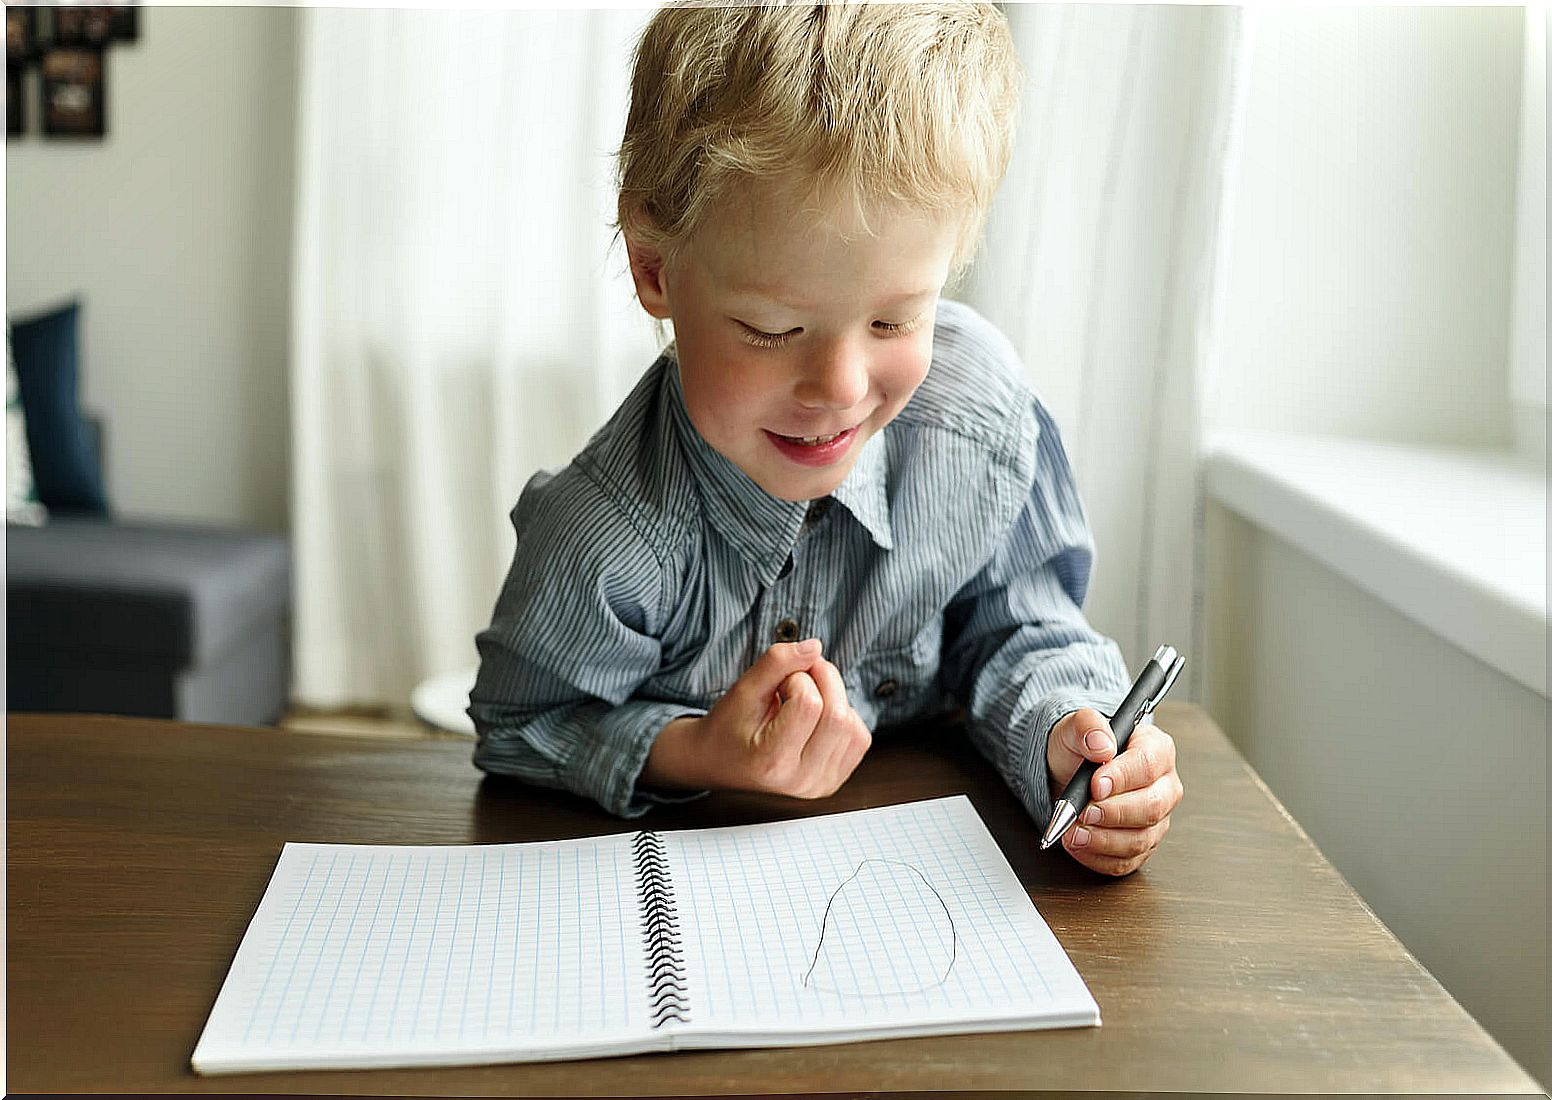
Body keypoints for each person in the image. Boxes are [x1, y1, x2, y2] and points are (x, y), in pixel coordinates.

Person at [470, 0, 1183, 876]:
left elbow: (1017, 627)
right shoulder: (606, 537)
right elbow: (522, 726)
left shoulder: (973, 421)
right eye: (771, 328)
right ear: (656, 267)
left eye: (895, 319)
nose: (841, 390)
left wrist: (1071, 733)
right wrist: (696, 751)